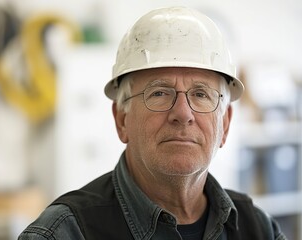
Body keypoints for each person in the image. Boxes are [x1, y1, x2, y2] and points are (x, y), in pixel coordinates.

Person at [18, 6, 286, 240]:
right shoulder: (63, 233)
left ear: (225, 124)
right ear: (121, 119)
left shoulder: (258, 229)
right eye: (159, 93)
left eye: (201, 94)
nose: (183, 113)